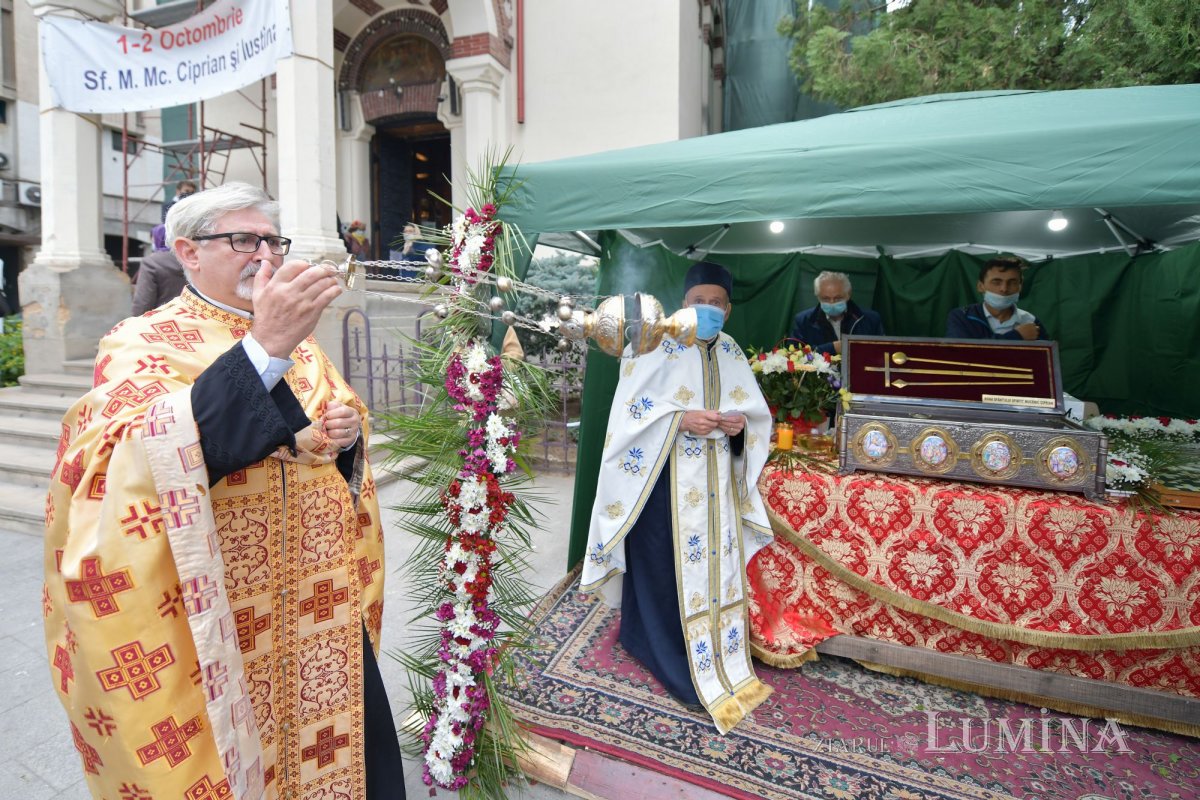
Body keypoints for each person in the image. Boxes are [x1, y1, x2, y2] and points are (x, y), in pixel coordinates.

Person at [43, 183, 404, 799]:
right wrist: (265, 347)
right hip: (219, 612)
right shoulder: (142, 339)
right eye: (243, 240)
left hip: (319, 602)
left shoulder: (302, 342)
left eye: (273, 241)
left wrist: (345, 437)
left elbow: (330, 427)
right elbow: (127, 462)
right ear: (188, 251)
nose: (265, 255)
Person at [580, 261, 775, 734]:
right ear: (682, 303)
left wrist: (739, 426)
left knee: (712, 571)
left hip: (715, 488)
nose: (706, 309)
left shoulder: (731, 350)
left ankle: (713, 651)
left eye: (716, 303)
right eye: (698, 301)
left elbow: (755, 416)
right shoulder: (654, 342)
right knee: (663, 569)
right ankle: (661, 649)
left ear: (728, 309)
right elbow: (628, 415)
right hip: (662, 483)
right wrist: (679, 420)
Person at [946, 255, 1048, 340]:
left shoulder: (1031, 321)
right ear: (980, 286)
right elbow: (961, 353)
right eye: (996, 282)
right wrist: (1017, 336)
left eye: (1012, 282)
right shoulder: (963, 317)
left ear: (1020, 287)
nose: (1004, 289)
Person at [789, 270, 884, 354]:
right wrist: (832, 348)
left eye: (838, 298)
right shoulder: (803, 320)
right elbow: (794, 355)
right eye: (826, 299)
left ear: (848, 294)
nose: (832, 303)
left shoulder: (870, 319)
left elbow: (881, 352)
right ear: (818, 297)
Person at [131, 224, 187, 314]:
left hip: (161, 318)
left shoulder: (151, 262)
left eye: (153, 239)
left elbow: (143, 302)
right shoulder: (191, 258)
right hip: (190, 317)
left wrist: (135, 320)